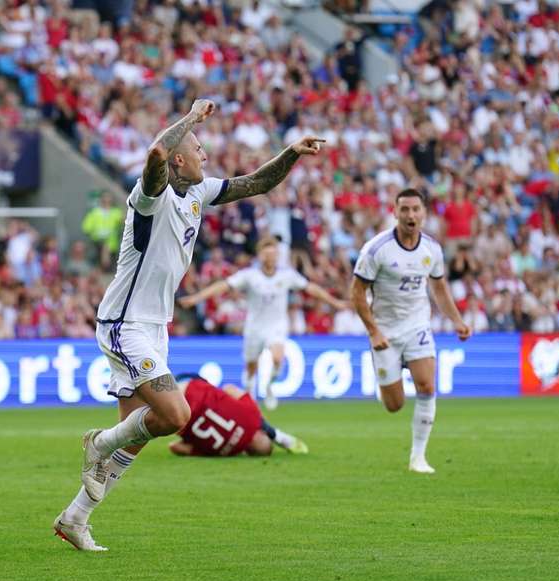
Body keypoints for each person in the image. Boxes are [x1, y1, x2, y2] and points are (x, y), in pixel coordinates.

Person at [53, 97, 325, 551]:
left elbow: (256, 182)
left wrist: (292, 153)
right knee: (176, 415)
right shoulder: (149, 197)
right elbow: (155, 156)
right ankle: (97, 443)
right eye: (199, 149)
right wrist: (190, 119)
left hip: (154, 327)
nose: (206, 156)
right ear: (180, 157)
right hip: (125, 322)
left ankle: (75, 517)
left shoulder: (199, 193)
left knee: (139, 434)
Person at [350, 188, 471, 475]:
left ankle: (418, 457)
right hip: (385, 332)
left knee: (427, 386)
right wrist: (374, 332)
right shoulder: (376, 249)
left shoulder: (432, 249)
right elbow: (356, 293)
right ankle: (389, 380)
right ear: (395, 212)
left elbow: (439, 287)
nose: (410, 215)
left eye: (416, 209)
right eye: (404, 209)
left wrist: (456, 320)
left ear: (424, 213)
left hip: (417, 325)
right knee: (394, 405)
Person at [178, 237, 346, 409]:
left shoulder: (287, 275)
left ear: (277, 256)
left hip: (277, 325)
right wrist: (196, 298)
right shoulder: (250, 276)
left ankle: (269, 386)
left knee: (278, 357)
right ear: (260, 256)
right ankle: (250, 394)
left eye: (273, 254)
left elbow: (311, 288)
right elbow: (223, 286)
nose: (270, 258)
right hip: (254, 327)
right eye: (266, 255)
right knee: (251, 367)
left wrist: (335, 302)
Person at [168, 375, 307, 457]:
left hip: (190, 389)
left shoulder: (253, 417)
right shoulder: (224, 453)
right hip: (176, 415)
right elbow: (175, 447)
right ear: (248, 451)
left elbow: (229, 388)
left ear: (261, 433)